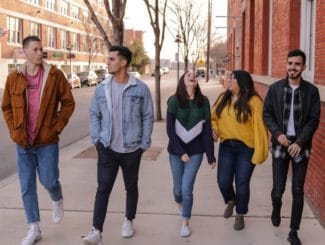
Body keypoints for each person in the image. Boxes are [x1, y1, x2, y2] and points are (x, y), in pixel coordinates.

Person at [1, 35, 75, 245]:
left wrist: (57, 126)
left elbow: (68, 103)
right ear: (24, 52)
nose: (39, 52)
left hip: (47, 141)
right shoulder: (14, 78)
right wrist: (14, 129)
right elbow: (6, 107)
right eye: (35, 49)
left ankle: (57, 198)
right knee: (26, 185)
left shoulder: (54, 76)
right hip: (23, 142)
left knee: (49, 180)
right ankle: (34, 227)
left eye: (41, 49)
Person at [83, 46, 154, 244]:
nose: (108, 62)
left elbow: (148, 116)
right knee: (103, 188)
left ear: (123, 63)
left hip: (132, 149)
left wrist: (143, 144)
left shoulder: (140, 88)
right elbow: (94, 114)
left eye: (112, 59)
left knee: (131, 186)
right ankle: (96, 230)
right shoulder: (102, 88)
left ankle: (129, 220)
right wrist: (97, 140)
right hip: (107, 148)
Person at [263, 49, 320, 245]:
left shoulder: (312, 91)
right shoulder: (275, 89)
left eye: (297, 64)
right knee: (278, 189)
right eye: (290, 63)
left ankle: (293, 231)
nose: (292, 67)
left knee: (297, 189)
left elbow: (313, 120)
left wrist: (300, 142)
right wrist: (278, 135)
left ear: (303, 67)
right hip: (281, 144)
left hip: (300, 145)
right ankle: (276, 206)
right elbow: (267, 114)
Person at [211, 70, 268, 231]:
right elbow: (213, 118)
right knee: (223, 181)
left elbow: (260, 128)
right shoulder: (223, 98)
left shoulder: (254, 101)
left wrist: (260, 152)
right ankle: (230, 200)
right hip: (226, 146)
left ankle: (240, 214)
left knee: (242, 183)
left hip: (246, 148)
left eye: (233, 78)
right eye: (229, 78)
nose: (228, 80)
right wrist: (213, 128)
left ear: (242, 82)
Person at [166, 71, 216, 237]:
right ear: (182, 80)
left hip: (195, 152)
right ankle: (180, 203)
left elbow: (207, 130)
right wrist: (180, 153)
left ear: (196, 82)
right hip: (176, 152)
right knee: (177, 190)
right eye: (188, 74)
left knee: (187, 187)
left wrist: (210, 156)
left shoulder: (204, 102)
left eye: (194, 75)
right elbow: (170, 131)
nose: (192, 75)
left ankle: (185, 221)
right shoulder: (174, 101)